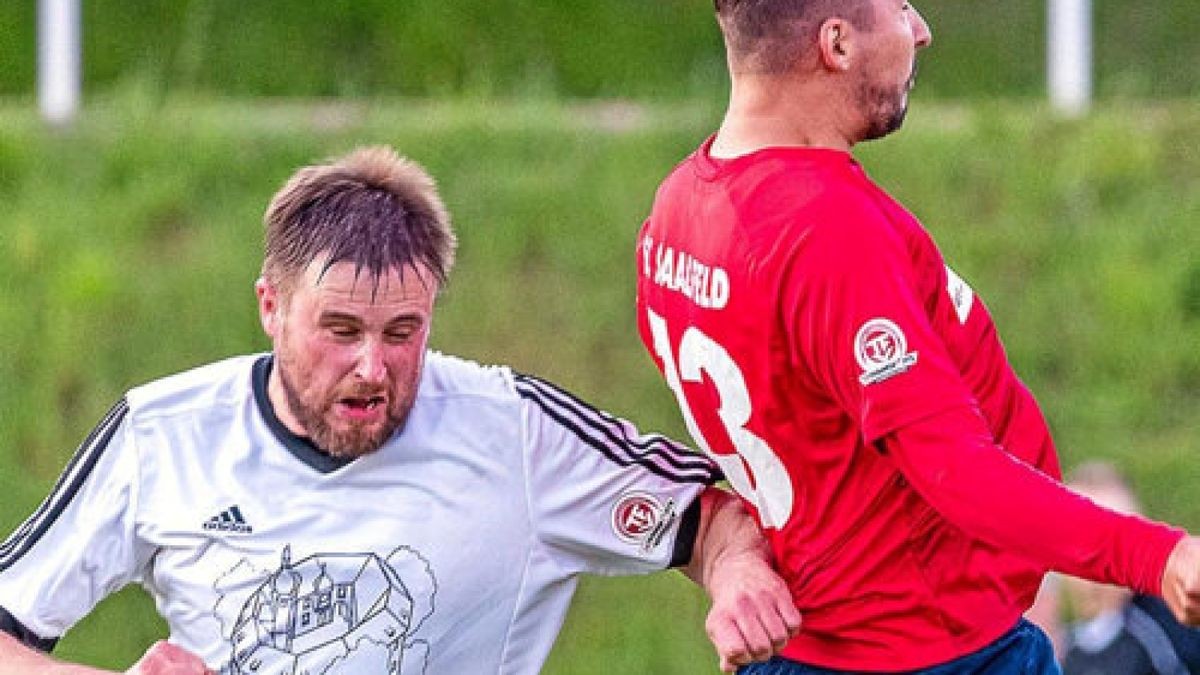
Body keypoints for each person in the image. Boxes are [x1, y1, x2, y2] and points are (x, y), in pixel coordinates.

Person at [0, 146, 800, 674]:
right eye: (340, 330)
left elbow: (708, 515)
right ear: (270, 306)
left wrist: (735, 573)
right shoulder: (161, 434)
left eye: (403, 332)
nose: (373, 366)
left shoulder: (513, 434)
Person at [633, 0, 1200, 672]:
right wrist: (1155, 555)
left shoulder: (676, 209)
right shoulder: (827, 229)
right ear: (837, 44)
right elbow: (955, 468)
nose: (922, 30)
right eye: (900, 8)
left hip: (814, 649)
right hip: (930, 652)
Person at [1038, 462, 1200, 675]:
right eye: (1082, 543)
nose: (1097, 566)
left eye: (1115, 545)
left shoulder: (1165, 633)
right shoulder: (1070, 644)